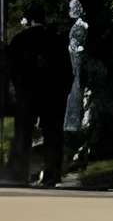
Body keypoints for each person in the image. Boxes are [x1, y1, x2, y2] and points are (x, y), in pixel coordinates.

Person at [3, 19, 73, 187]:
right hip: (53, 92)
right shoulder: (56, 39)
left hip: (28, 92)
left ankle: (19, 173)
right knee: (53, 133)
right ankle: (52, 174)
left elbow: (10, 67)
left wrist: (17, 89)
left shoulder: (21, 39)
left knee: (23, 132)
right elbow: (68, 69)